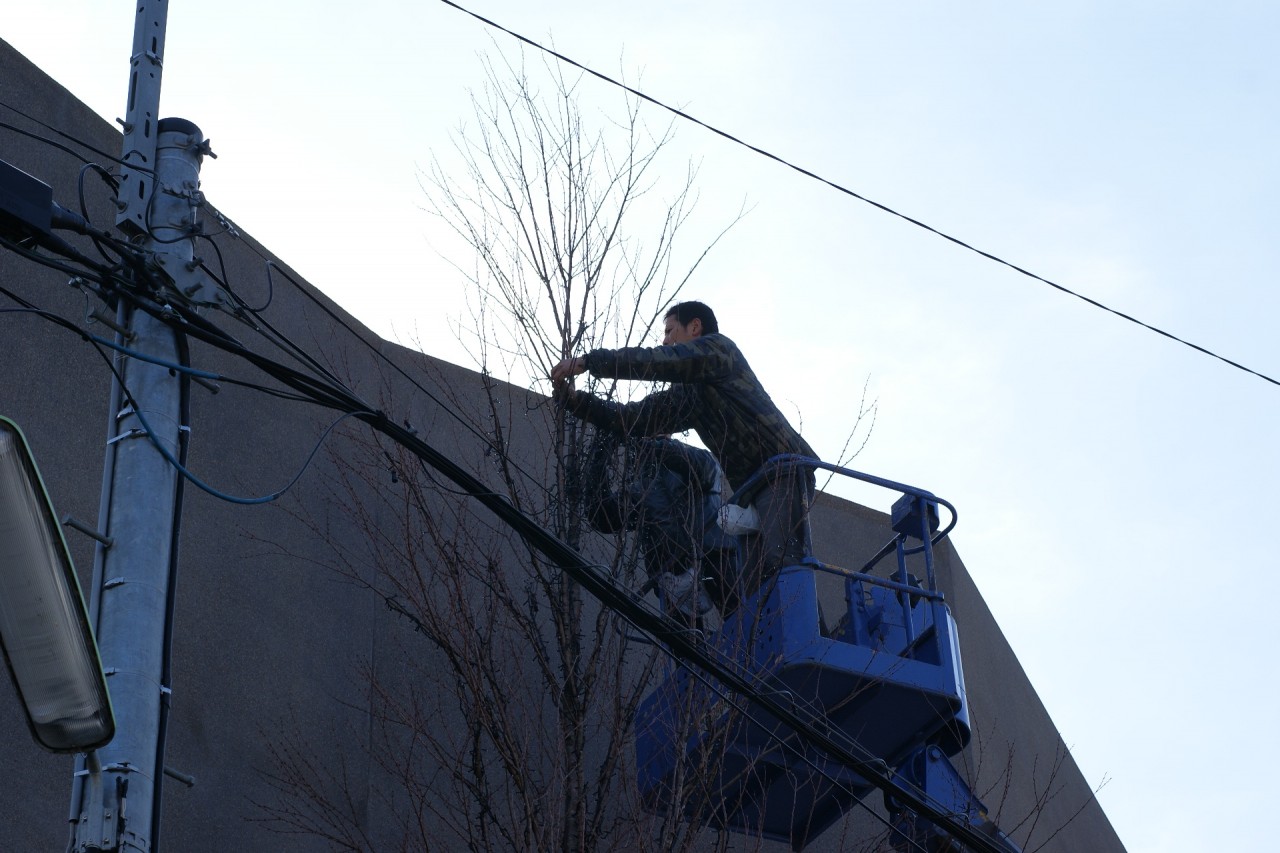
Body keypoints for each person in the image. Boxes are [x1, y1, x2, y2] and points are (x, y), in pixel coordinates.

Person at [551, 301, 817, 610]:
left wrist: (589, 362)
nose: (665, 340)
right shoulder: (689, 395)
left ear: (695, 327)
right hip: (749, 491)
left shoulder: (719, 351)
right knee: (758, 586)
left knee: (783, 564)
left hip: (780, 469)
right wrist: (577, 403)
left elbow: (659, 362)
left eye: (669, 331)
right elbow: (635, 417)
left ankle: (812, 637)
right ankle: (790, 638)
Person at [583, 434, 735, 621]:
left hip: (716, 555)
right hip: (671, 573)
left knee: (743, 617)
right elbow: (601, 517)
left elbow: (705, 469)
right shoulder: (640, 490)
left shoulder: (695, 458)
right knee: (679, 636)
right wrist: (600, 455)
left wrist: (650, 445)